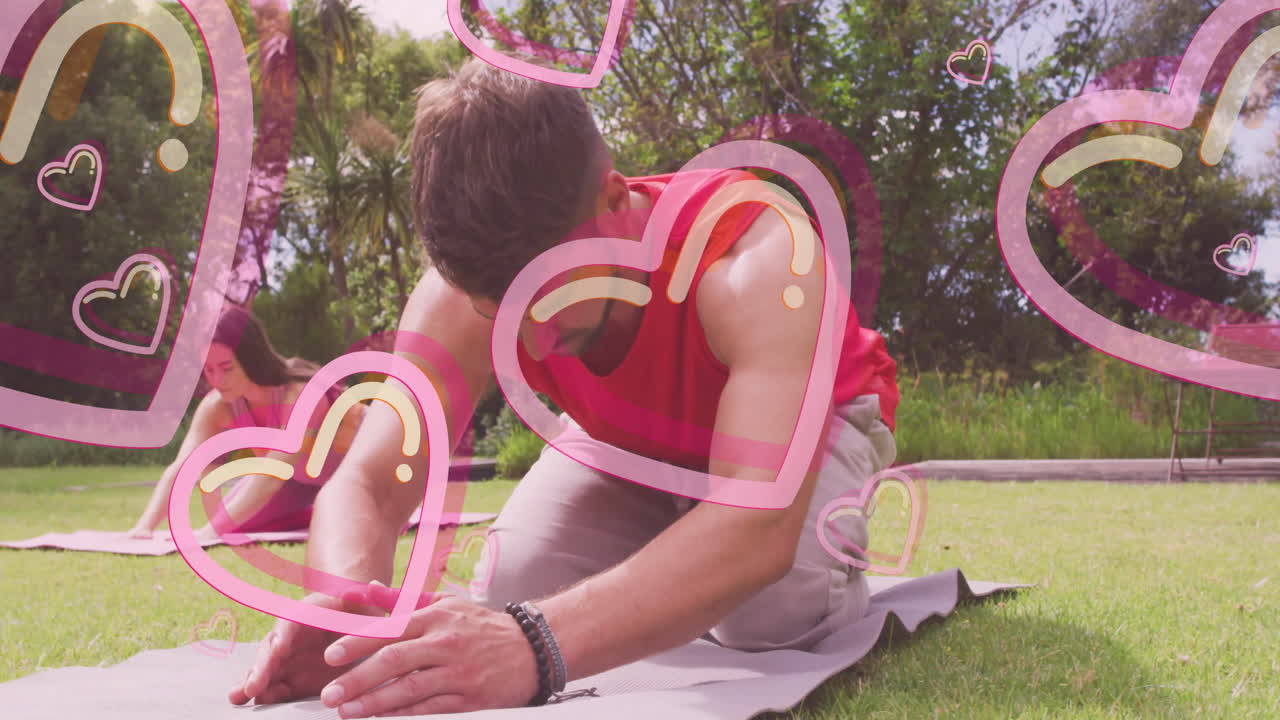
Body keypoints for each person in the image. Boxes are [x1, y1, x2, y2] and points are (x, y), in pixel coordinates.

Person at [228, 56, 900, 717]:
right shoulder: (462, 291)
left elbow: (757, 522)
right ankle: (678, 562)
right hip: (628, 435)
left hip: (818, 421)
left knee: (769, 611)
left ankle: (807, 564)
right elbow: (370, 482)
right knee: (512, 585)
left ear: (614, 200)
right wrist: (351, 616)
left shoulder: (755, 256)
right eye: (502, 311)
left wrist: (534, 642)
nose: (536, 343)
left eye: (552, 297)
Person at [129, 305, 362, 541]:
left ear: (251, 359)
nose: (217, 380)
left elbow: (274, 473)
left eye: (226, 368)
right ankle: (325, 513)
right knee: (235, 520)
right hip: (304, 480)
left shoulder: (300, 394)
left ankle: (351, 511)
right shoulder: (217, 406)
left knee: (225, 523)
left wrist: (208, 534)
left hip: (370, 471)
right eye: (208, 370)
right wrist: (144, 527)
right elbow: (183, 467)